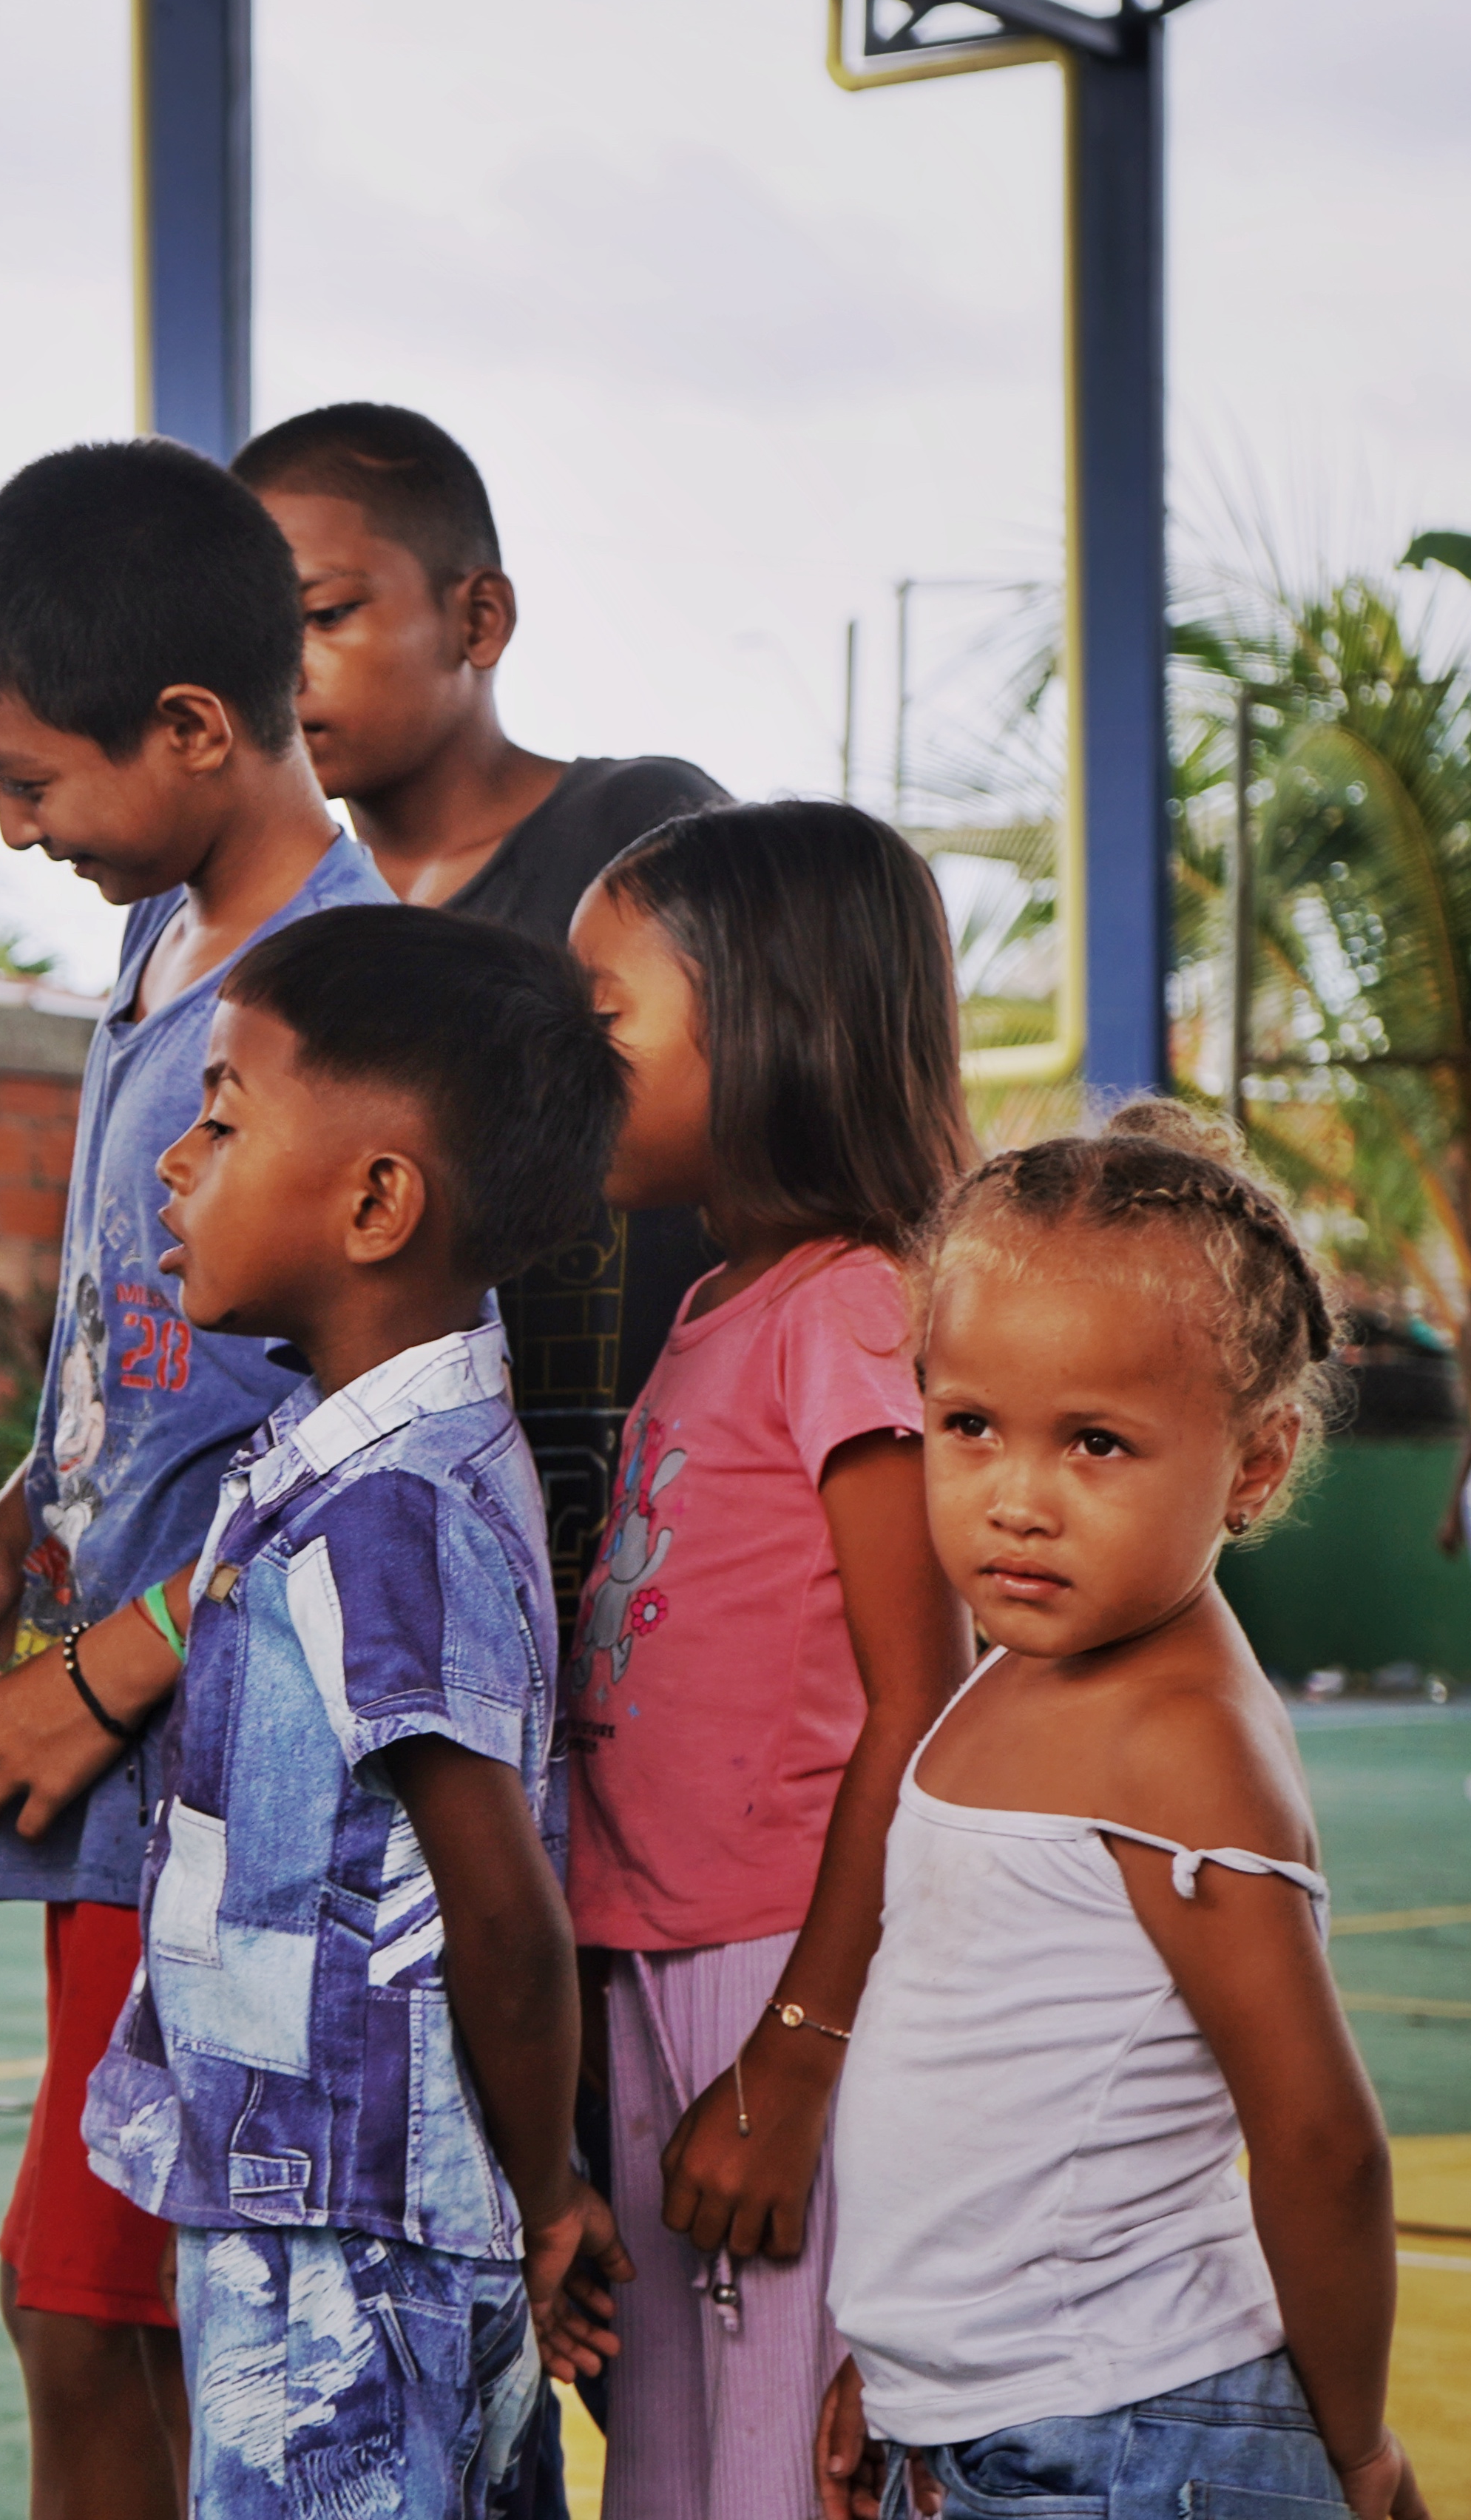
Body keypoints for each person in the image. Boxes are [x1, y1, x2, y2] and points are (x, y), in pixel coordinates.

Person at [0, 436, 402, 2520]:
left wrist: (106, 1666)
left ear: (193, 725)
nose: (10, 827)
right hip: (126, 1770)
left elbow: (370, 1446)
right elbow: (140, 1340)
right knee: (95, 2302)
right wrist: (18, 1520)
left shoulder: (337, 1007)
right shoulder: (164, 943)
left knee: (120, 2315)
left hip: (221, 1786)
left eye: (30, 779)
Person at [77, 902, 635, 2519]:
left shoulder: (390, 1507)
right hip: (333, 2197)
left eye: (223, 1116)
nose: (173, 1161)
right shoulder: (367, 1460)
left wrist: (545, 2192)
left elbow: (499, 1909)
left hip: (353, 2227)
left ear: (377, 1202)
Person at [819, 1101, 1422, 2520]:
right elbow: (977, 2093)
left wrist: (1354, 2448)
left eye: (1093, 1442)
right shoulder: (1015, 1665)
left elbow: (1321, 2142)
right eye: (969, 1425)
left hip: (1133, 2437)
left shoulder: (1180, 1739)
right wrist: (900, 2366)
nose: (1015, 1499)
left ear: (1253, 1464)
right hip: (1003, 2416)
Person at [558, 803, 977, 2520]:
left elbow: (922, 1702)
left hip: (780, 1963)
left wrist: (798, 2050)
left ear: (773, 1025)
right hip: (653, 1955)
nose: (565, 1061)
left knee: (778, 2457)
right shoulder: (714, 1301)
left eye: (601, 1019)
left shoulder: (848, 1307)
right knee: (667, 2456)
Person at [235, 400, 727, 1645]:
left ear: (479, 618)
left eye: (325, 614)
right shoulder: (286, 941)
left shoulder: (639, 833)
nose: (283, 669)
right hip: (422, 1592)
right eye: (250, 635)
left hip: (675, 1555)